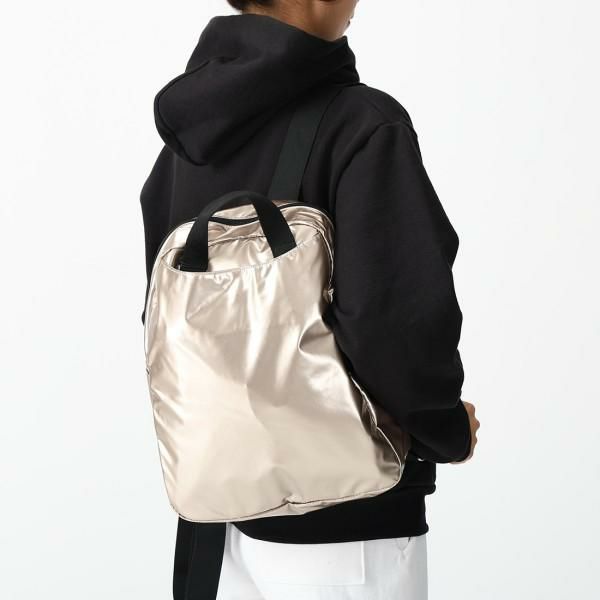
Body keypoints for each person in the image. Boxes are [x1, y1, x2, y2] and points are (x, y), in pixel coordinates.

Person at [140, 1, 480, 598]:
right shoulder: (362, 124)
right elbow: (394, 324)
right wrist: (446, 428)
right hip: (350, 528)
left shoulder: (186, 140)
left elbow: (167, 321)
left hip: (221, 526)